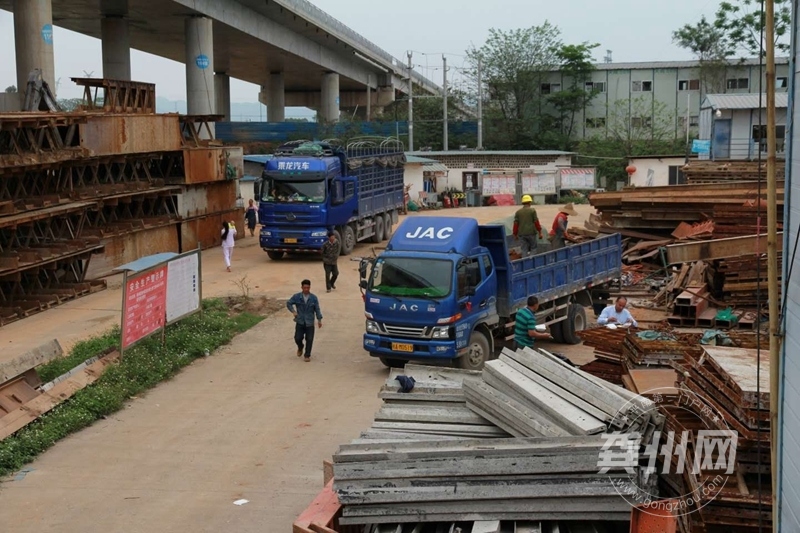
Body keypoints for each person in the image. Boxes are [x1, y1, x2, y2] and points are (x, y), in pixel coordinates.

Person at [286, 280, 323, 362]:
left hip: (310, 322)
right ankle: (300, 346)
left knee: (309, 339)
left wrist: (319, 319)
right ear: (302, 287)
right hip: (300, 321)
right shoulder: (297, 297)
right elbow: (289, 303)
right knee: (297, 338)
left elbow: (317, 309)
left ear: (310, 287)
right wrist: (293, 311)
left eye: (308, 287)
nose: (306, 289)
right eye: (304, 287)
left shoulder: (313, 298)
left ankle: (307, 355)